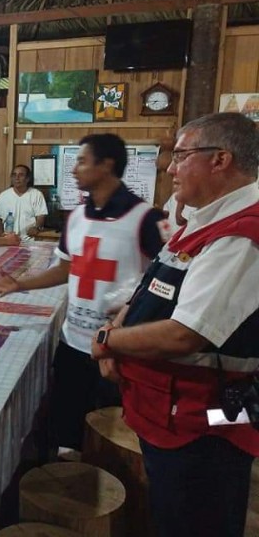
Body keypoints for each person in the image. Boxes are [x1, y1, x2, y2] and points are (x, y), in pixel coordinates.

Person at [91, 113, 259, 537]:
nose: (169, 168)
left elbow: (187, 333)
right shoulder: (203, 221)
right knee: (169, 512)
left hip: (203, 422)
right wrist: (118, 335)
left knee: (197, 517)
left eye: (181, 156)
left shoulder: (242, 235)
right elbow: (151, 288)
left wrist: (110, 341)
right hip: (167, 411)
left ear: (220, 159)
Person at [0, 133, 164, 451]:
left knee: (113, 434)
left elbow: (164, 284)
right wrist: (21, 284)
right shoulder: (76, 218)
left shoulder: (146, 219)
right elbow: (67, 269)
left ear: (106, 165)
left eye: (82, 161)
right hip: (73, 343)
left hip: (117, 348)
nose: (74, 170)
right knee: (65, 428)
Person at [0, 164, 48, 240]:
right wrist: (1, 236)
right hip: (8, 239)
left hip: (30, 239)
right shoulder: (4, 195)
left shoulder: (36, 194)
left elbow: (41, 215)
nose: (17, 178)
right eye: (14, 175)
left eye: (21, 175)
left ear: (27, 179)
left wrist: (36, 227)